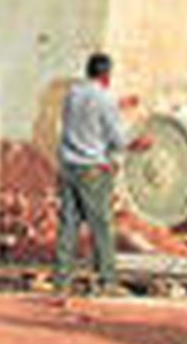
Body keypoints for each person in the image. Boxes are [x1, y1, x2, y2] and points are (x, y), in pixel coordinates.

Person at [54, 51, 147, 294]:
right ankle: (107, 281)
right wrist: (140, 143)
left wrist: (119, 105)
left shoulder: (72, 94)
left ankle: (62, 280)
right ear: (107, 75)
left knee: (68, 225)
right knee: (101, 226)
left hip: (68, 166)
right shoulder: (105, 99)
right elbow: (118, 140)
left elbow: (87, 115)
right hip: (92, 170)